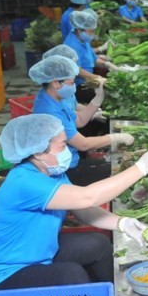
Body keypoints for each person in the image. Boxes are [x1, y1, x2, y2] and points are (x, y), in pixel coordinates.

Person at [0, 114, 148, 291]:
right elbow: (88, 197)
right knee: (71, 274)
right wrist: (141, 168)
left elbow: (82, 208)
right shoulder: (24, 182)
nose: (67, 150)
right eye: (61, 146)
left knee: (98, 244)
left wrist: (121, 223)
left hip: (40, 253)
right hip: (8, 274)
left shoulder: (52, 172)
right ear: (38, 152)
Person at [30, 56, 132, 186]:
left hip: (70, 159)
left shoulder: (53, 98)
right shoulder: (50, 111)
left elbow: (80, 120)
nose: (73, 87)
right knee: (115, 172)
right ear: (55, 83)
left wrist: (98, 99)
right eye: (71, 83)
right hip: (63, 170)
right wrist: (115, 137)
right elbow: (83, 144)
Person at [42, 45, 107, 136]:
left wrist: (94, 111)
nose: (75, 70)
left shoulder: (60, 92)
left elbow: (74, 107)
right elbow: (82, 144)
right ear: (55, 82)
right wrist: (113, 138)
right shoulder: (51, 107)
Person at [64, 10, 118, 103]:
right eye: (90, 31)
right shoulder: (72, 45)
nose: (92, 34)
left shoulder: (84, 40)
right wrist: (98, 78)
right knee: (108, 95)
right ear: (79, 29)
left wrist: (107, 64)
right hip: (79, 86)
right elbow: (77, 70)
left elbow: (93, 59)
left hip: (89, 81)